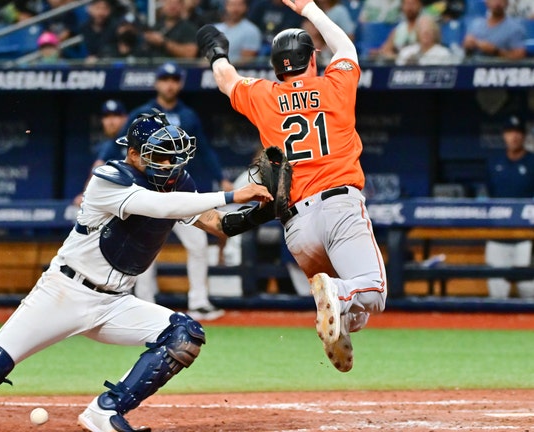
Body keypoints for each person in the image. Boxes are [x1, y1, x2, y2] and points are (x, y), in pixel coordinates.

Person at [0, 112, 273, 432]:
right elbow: (160, 207)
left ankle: (105, 412)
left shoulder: (177, 182)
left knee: (184, 336)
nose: (169, 164)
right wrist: (233, 192)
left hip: (115, 302)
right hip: (64, 293)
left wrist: (269, 207)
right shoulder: (109, 178)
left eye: (172, 156)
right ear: (133, 154)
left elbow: (217, 224)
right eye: (158, 156)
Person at [196, 0, 387, 372]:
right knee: (373, 291)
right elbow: (346, 48)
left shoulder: (265, 94)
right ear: (311, 60)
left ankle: (342, 322)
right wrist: (308, 7)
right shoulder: (335, 86)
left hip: (297, 227)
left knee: (353, 308)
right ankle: (340, 295)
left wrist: (215, 50)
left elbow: (225, 79)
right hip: (338, 206)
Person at [98, 62, 234, 321]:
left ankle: (198, 301)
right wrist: (101, 164)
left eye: (174, 79)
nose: (169, 84)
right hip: (148, 193)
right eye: (165, 79)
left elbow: (204, 150)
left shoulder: (189, 116)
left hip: (179, 190)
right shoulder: (143, 113)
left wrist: (221, 178)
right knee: (143, 247)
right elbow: (120, 146)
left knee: (198, 244)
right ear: (157, 82)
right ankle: (144, 302)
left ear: (180, 83)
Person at [484, 114, 534, 299]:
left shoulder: (532, 162)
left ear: (524, 136)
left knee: (529, 290)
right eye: (510, 132)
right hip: (498, 234)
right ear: (504, 135)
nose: (514, 136)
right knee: (497, 292)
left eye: (518, 132)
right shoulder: (494, 163)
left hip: (526, 236)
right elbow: (490, 195)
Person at [73, 98, 129, 206]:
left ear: (125, 119)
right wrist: (86, 195)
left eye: (116, 116)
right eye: (107, 117)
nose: (111, 122)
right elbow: (97, 170)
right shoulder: (104, 147)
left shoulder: (134, 141)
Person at [462, 0, 526, 61]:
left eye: (501, 0)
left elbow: (519, 55)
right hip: (472, 67)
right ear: (487, 3)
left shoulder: (515, 28)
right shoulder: (476, 24)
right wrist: (467, 45)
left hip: (498, 69)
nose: (497, 3)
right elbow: (464, 49)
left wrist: (495, 51)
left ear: (507, 3)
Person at [395, 14, 459, 64]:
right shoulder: (406, 52)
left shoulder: (444, 54)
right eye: (422, 30)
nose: (425, 34)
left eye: (429, 31)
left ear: (435, 32)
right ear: (417, 32)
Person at [213, 0, 262, 64]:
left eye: (239, 5)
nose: (235, 9)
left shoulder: (251, 30)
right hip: (211, 70)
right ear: (226, 6)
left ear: (246, 7)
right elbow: (208, 55)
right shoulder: (215, 28)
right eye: (232, 5)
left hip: (237, 71)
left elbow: (245, 61)